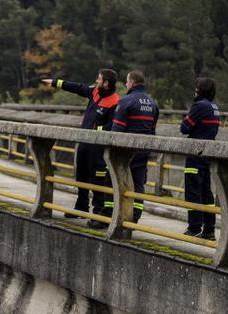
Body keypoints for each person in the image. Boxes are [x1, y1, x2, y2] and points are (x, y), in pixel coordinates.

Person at [42, 70, 120, 218]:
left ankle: (98, 213)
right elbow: (78, 88)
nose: (96, 81)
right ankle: (81, 207)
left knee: (98, 179)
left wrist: (94, 130)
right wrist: (55, 83)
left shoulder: (115, 102)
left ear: (106, 83)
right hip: (84, 143)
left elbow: (112, 127)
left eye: (99, 79)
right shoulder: (95, 92)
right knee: (81, 175)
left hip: (98, 147)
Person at [100, 69, 159, 227]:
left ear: (132, 82)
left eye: (127, 81)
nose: (126, 84)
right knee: (138, 184)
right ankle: (135, 217)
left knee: (111, 180)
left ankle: (108, 216)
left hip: (125, 153)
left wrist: (111, 150)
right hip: (143, 152)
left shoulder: (126, 101)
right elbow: (152, 131)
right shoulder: (153, 104)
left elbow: (117, 131)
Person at [180, 77, 221, 240]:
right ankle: (209, 230)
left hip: (195, 156)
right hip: (207, 156)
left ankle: (194, 227)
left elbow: (184, 128)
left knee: (193, 192)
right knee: (206, 193)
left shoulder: (199, 106)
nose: (195, 90)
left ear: (200, 89)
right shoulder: (214, 107)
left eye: (197, 87)